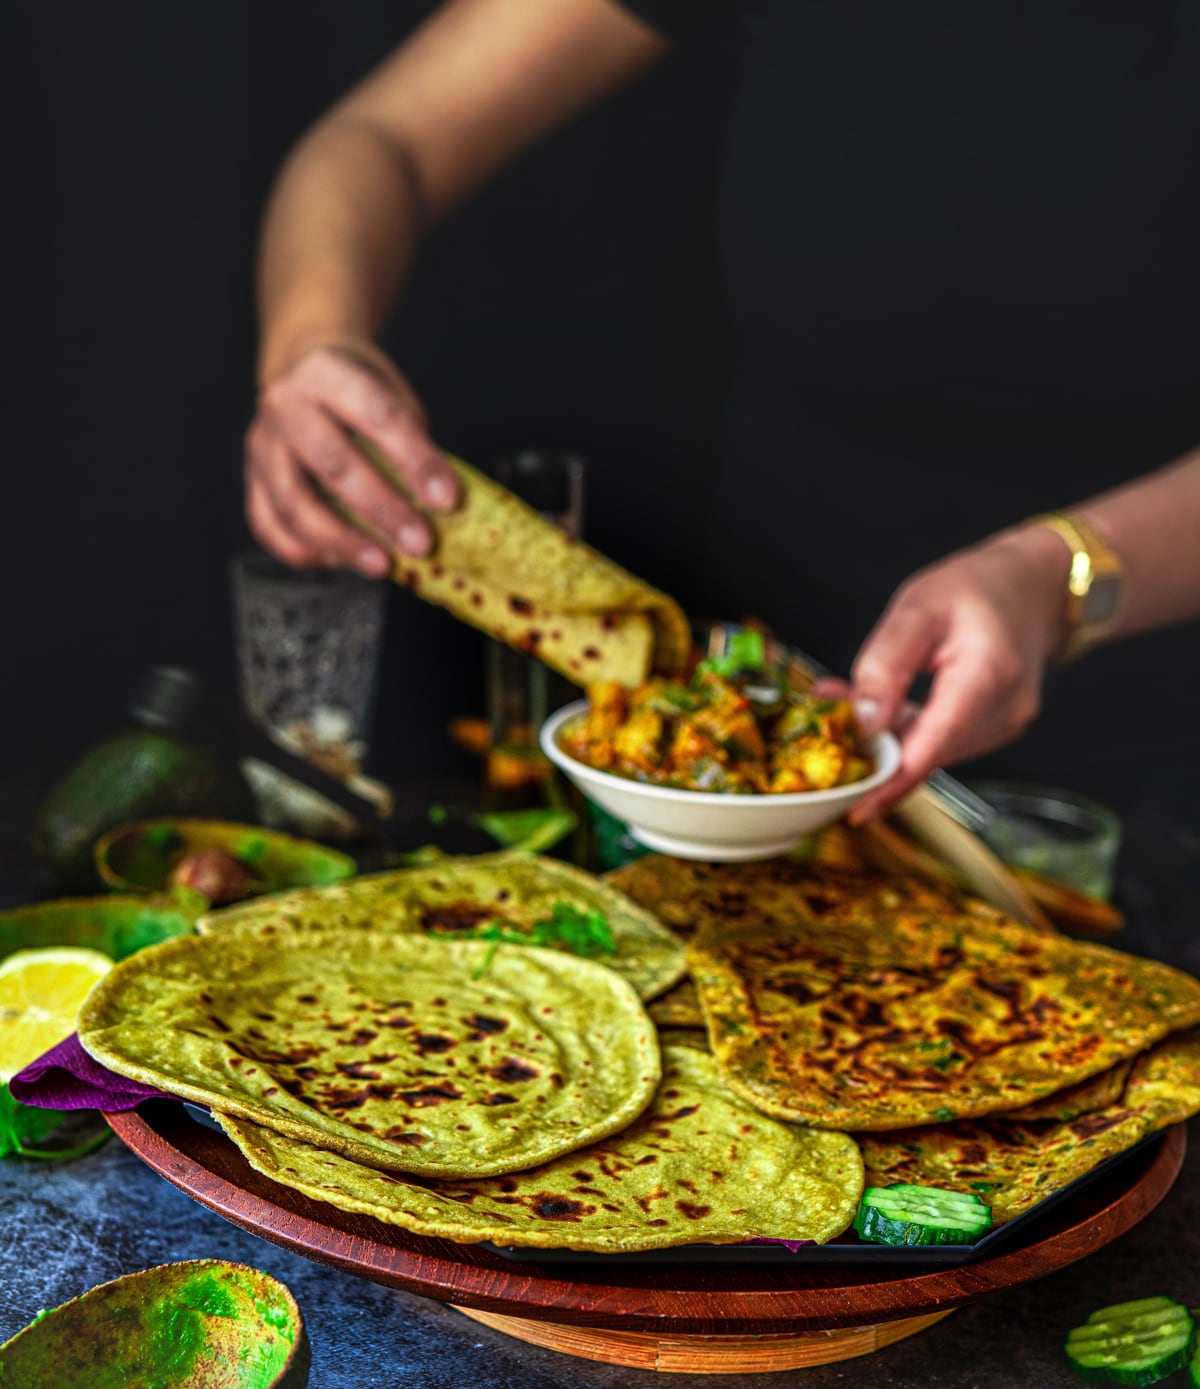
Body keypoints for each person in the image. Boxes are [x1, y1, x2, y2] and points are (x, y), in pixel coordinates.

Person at [244, 0, 1200, 819]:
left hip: (1144, 790)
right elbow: (380, 142)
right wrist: (312, 343)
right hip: (747, 766)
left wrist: (1061, 576)